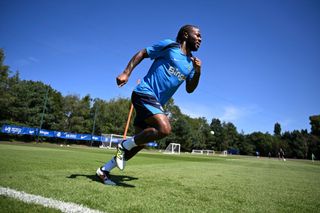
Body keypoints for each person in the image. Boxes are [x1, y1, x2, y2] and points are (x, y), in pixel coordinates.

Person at [96, 24, 202, 185]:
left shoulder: (191, 64)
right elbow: (143, 52)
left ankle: (104, 171)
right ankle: (124, 144)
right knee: (164, 129)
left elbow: (190, 89)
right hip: (144, 92)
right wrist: (126, 72)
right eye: (198, 35)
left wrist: (198, 72)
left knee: (140, 143)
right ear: (186, 35)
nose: (200, 39)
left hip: (154, 103)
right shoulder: (170, 46)